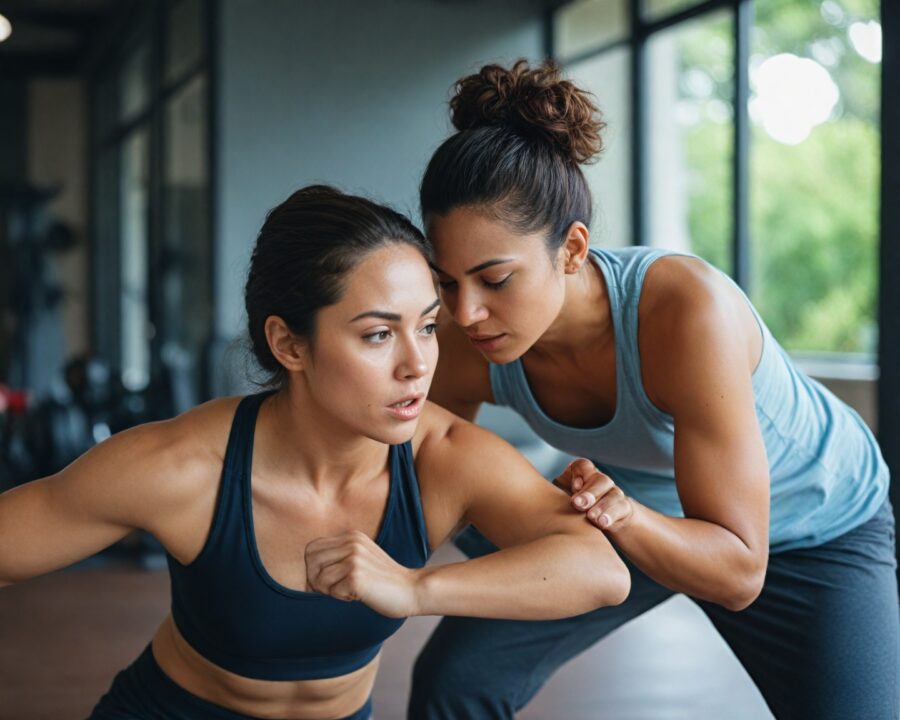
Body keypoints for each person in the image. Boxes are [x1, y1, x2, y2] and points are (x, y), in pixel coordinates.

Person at [0, 185, 631, 720]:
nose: (418, 364)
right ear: (289, 344)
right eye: (379, 334)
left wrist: (416, 588)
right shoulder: (184, 467)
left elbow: (601, 572)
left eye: (429, 326)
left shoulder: (442, 457)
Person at [409, 60, 899, 720]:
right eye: (446, 282)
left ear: (573, 250)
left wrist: (621, 518)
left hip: (811, 523)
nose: (466, 314)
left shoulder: (684, 313)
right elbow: (421, 480)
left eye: (495, 281)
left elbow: (737, 571)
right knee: (455, 678)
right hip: (631, 504)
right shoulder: (470, 341)